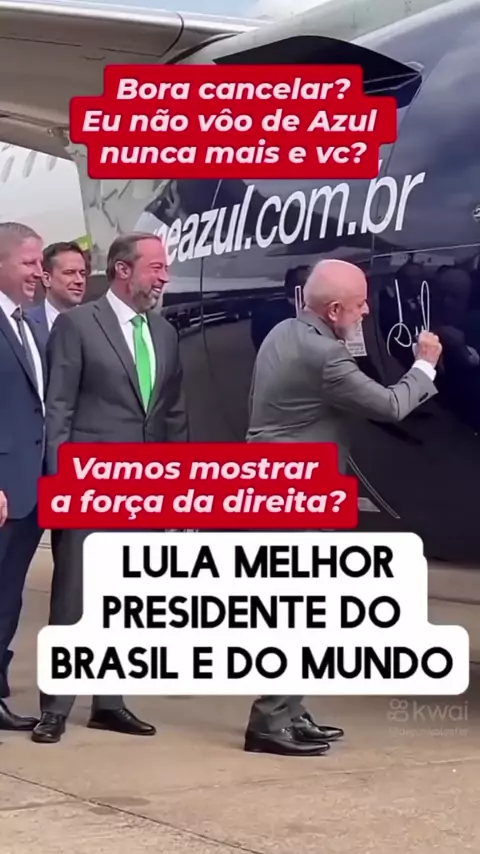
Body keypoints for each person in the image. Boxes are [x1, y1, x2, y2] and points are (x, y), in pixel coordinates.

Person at [244, 258, 443, 757]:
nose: (366, 311)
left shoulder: (284, 332)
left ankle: (290, 711)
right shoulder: (325, 356)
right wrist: (424, 364)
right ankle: (269, 721)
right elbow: (391, 405)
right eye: (359, 305)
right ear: (334, 310)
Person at [32, 232, 189, 744]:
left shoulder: (164, 332)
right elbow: (59, 409)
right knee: (74, 598)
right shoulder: (78, 326)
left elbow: (173, 415)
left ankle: (110, 702)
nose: (164, 277)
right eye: (156, 268)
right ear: (124, 270)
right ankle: (55, 707)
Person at [0, 222, 46, 728]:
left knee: (7, 598)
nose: (39, 272)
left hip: (29, 489)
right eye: (29, 262)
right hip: (3, 488)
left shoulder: (29, 324)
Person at [25, 241, 87, 344]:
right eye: (69, 273)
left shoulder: (98, 322)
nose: (79, 280)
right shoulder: (26, 323)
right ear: (46, 279)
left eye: (82, 274)